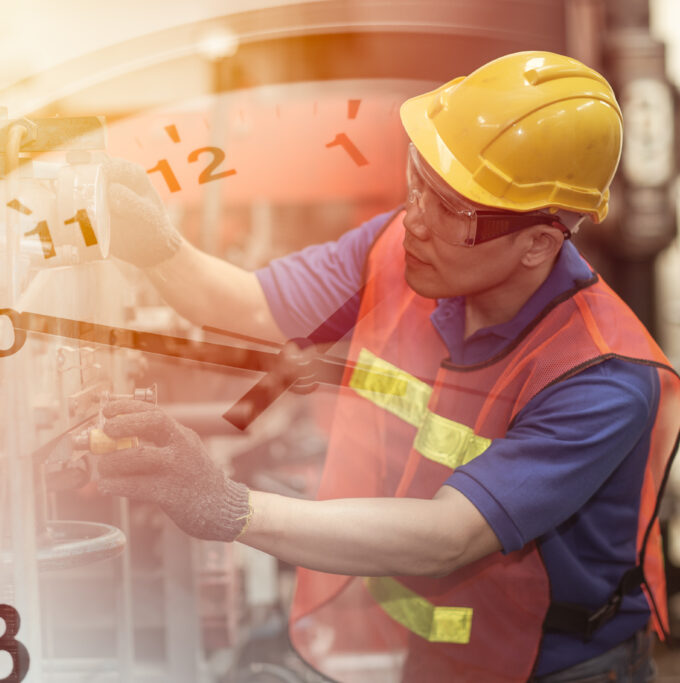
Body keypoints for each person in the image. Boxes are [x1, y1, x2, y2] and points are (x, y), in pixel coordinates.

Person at [97, 51, 680, 682]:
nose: (417, 221)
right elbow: (252, 306)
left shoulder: (603, 375)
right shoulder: (393, 250)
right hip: (437, 651)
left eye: (455, 211)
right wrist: (157, 245)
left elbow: (449, 534)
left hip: (563, 668)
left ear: (538, 243)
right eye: (418, 179)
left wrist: (228, 505)